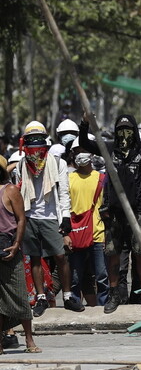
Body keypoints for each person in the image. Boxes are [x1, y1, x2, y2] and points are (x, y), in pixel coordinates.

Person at [79, 113, 141, 313]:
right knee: (113, 254)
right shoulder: (110, 148)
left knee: (140, 253)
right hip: (113, 212)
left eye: (128, 130)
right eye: (121, 130)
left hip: (137, 211)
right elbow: (85, 143)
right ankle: (113, 294)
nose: (125, 134)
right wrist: (84, 124)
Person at [17, 121, 84, 316]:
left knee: (61, 256)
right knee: (35, 258)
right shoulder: (22, 163)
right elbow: (19, 190)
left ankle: (68, 295)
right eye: (31, 139)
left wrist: (65, 217)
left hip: (51, 216)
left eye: (39, 139)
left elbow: (63, 191)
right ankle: (40, 298)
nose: (35, 143)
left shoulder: (57, 162)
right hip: (29, 215)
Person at [0, 159, 41, 354]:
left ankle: (29, 339)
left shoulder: (10, 191)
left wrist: (16, 244)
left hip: (8, 246)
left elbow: (21, 219)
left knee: (19, 294)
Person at [67, 136, 109, 306]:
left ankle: (103, 305)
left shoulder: (102, 178)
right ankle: (76, 303)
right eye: (77, 152)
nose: (81, 155)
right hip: (76, 233)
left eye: (84, 151)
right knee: (76, 276)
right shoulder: (68, 179)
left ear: (92, 154)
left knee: (101, 275)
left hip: (98, 234)